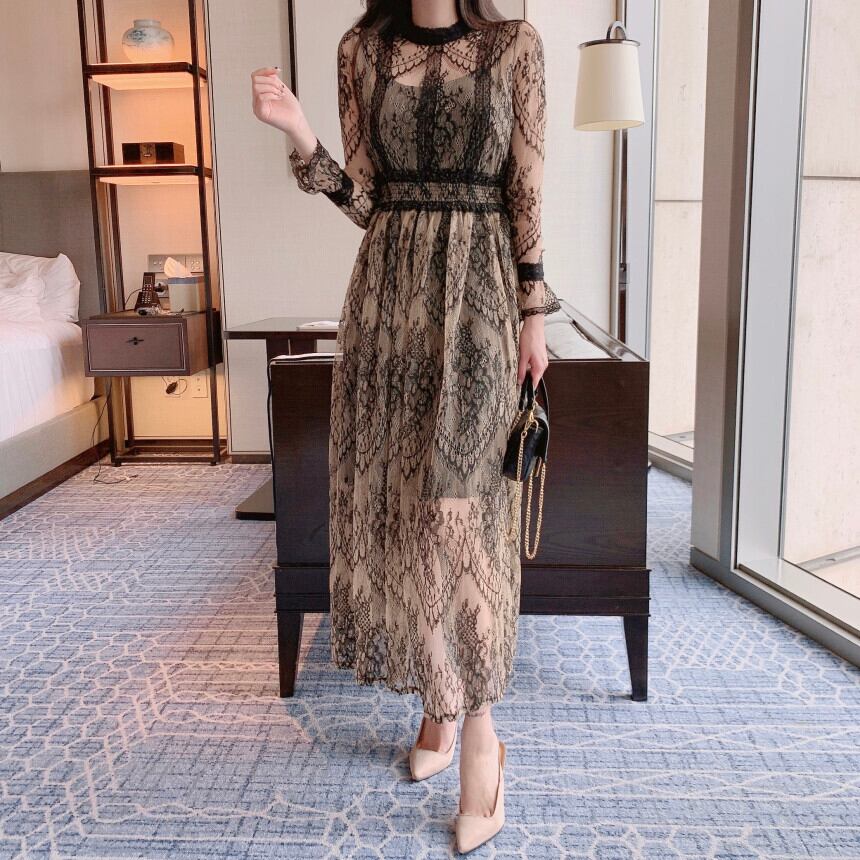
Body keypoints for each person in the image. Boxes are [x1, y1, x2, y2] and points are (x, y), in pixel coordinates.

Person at [252, 0, 559, 852]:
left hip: (481, 300)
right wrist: (300, 133)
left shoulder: (514, 47)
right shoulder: (363, 50)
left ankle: (481, 739)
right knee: (410, 518)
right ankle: (439, 702)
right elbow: (364, 199)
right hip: (389, 310)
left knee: (461, 519)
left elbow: (527, 187)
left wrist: (534, 314)